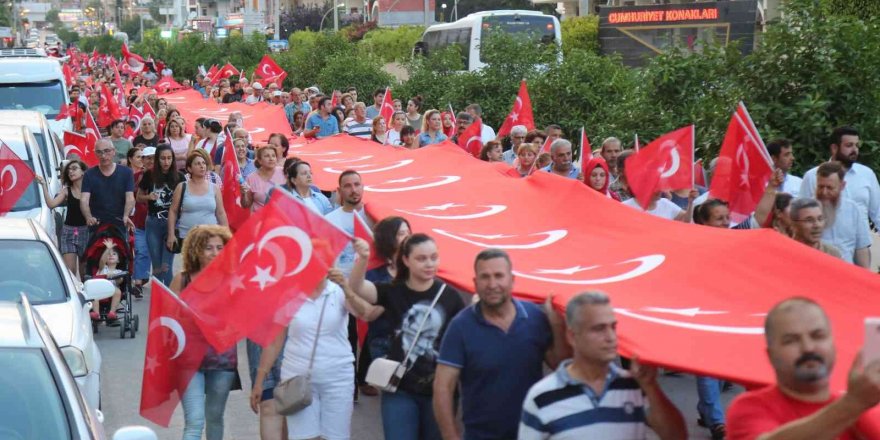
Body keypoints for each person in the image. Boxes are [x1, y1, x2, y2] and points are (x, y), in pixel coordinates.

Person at [433, 249, 569, 440]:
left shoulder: (535, 318)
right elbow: (443, 387)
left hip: (533, 434)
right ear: (475, 283)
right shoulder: (460, 327)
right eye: (485, 277)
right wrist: (450, 436)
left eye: (498, 276)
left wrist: (557, 326)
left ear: (512, 280)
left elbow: (560, 365)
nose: (492, 284)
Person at [519, 291, 687, 440]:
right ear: (572, 336)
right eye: (599, 329)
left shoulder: (634, 385)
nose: (611, 337)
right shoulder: (541, 396)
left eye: (613, 327)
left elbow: (677, 436)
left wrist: (651, 387)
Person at [349, 234, 466, 440]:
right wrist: (363, 258)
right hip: (399, 389)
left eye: (434, 257)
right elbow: (357, 287)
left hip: (439, 392)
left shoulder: (451, 297)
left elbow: (463, 342)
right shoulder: (393, 291)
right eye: (421, 258)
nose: (429, 264)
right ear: (406, 260)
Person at [251, 268, 380, 440]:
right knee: (303, 437)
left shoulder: (338, 291)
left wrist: (347, 288)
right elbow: (274, 342)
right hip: (297, 381)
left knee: (336, 437)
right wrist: (259, 381)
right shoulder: (289, 295)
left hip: (338, 378)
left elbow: (366, 314)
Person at [726, 297, 880, 439]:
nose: (808, 348)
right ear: (770, 355)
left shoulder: (866, 409)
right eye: (791, 340)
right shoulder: (749, 408)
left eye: (818, 336)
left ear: (833, 345)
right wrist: (853, 404)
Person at [171, 225, 240, 440]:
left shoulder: (233, 280)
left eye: (220, 247)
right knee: (194, 421)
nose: (214, 253)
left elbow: (242, 319)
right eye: (208, 248)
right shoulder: (182, 280)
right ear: (196, 250)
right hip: (188, 360)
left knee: (214, 418)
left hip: (222, 360)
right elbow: (167, 321)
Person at [356, 216, 412, 397]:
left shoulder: (417, 270)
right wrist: (393, 295)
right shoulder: (375, 274)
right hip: (385, 343)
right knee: (398, 396)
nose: (407, 237)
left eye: (408, 232)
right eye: (401, 233)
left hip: (414, 343)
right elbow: (368, 314)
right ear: (389, 238)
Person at [800, 126, 880, 229]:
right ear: (834, 148)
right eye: (849, 145)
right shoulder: (812, 176)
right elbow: (802, 213)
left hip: (860, 238)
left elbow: (878, 212)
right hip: (825, 238)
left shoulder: (867, 174)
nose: (854, 150)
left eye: (856, 145)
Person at [137, 144, 184, 286]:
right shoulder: (149, 175)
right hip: (153, 223)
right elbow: (138, 197)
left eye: (169, 158)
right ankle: (158, 296)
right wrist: (148, 197)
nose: (166, 162)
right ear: (157, 159)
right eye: (163, 158)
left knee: (166, 265)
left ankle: (169, 295)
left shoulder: (179, 177)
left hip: (172, 224)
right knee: (157, 266)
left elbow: (185, 199)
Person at [34, 160, 89, 277]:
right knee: (70, 271)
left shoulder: (90, 190)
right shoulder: (66, 191)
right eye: (69, 170)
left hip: (86, 231)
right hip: (69, 232)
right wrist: (44, 185)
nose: (71, 171)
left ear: (83, 172)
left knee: (85, 271)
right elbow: (51, 204)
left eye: (74, 168)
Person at [166, 151, 229, 252]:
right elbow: (173, 211)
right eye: (197, 164)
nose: (202, 166)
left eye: (203, 163)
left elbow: (220, 213)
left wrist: (227, 235)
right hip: (187, 237)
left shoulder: (214, 188)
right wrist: (171, 234)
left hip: (211, 237)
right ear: (189, 169)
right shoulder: (182, 187)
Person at [812, 162, 871, 267]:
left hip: (846, 272)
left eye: (829, 188)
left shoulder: (853, 210)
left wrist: (865, 273)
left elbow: (861, 249)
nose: (824, 192)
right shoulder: (806, 210)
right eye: (820, 187)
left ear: (842, 186)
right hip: (817, 269)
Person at [81, 139, 136, 230]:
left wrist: (126, 216)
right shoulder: (89, 174)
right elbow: (84, 200)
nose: (103, 156)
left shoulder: (127, 172)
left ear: (113, 151)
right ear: (95, 154)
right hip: (97, 223)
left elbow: (130, 197)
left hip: (120, 222)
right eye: (99, 152)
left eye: (107, 151)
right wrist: (88, 217)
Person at [324, 170, 365, 276]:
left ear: (363, 187)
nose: (353, 190)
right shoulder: (328, 220)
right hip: (341, 280)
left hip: (372, 280)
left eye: (357, 184)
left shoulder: (373, 215)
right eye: (347, 186)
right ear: (339, 190)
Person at [128, 146, 150, 295]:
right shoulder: (134, 177)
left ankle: (143, 275)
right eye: (145, 158)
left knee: (151, 253)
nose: (149, 161)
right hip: (138, 219)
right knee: (140, 250)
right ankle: (138, 283)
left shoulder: (163, 177)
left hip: (158, 221)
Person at [241, 145, 285, 211]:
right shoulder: (250, 178)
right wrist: (244, 194)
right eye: (267, 156)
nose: (271, 158)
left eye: (273, 156)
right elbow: (246, 205)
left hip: (281, 215)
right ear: (259, 160)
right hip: (260, 216)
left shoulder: (284, 172)